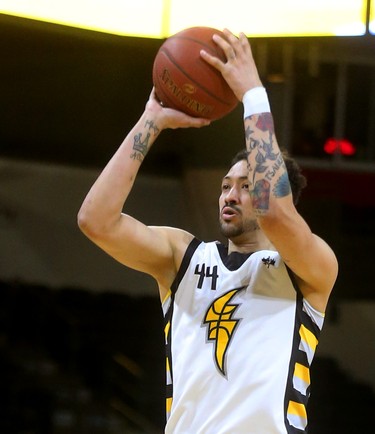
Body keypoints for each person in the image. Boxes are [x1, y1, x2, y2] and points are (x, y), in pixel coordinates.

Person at [78, 29, 338, 434]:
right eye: (225, 185)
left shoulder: (310, 267)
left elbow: (275, 213)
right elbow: (95, 221)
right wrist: (151, 121)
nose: (231, 194)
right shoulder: (182, 256)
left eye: (247, 186)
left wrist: (253, 93)